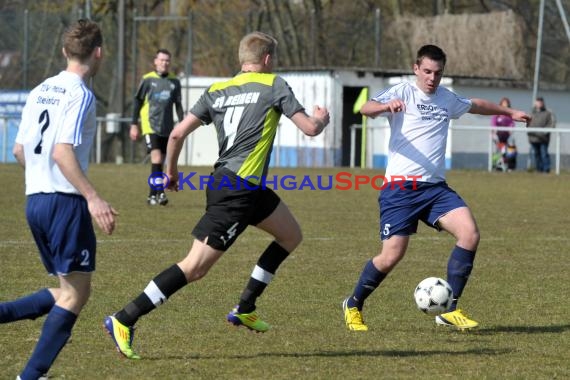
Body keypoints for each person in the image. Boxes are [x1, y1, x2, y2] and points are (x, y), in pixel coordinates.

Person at [104, 31, 330, 359]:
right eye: (274, 59)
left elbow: (178, 132)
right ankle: (124, 318)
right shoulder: (274, 85)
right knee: (194, 267)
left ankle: (245, 307)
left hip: (241, 187)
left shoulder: (217, 90)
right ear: (267, 59)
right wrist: (321, 120)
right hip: (236, 191)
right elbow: (309, 128)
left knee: (291, 235)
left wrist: (171, 172)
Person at [342, 44, 531, 332]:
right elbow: (365, 108)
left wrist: (511, 111)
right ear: (416, 69)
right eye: (427, 71)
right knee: (392, 255)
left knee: (469, 233)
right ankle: (353, 304)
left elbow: (476, 105)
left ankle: (449, 310)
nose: (432, 78)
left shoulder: (446, 98)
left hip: (435, 189)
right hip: (400, 189)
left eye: (438, 73)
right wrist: (384, 107)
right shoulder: (402, 91)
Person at [4, 19, 117, 380]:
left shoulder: (39, 90)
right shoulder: (80, 94)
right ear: (98, 53)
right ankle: (30, 376)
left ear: (64, 51)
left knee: (67, 290)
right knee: (75, 295)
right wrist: (93, 198)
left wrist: (41, 180)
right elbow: (62, 152)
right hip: (64, 203)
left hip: (34, 200)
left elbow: (20, 150)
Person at [130, 48, 184, 205]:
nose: (164, 63)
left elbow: (178, 105)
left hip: (167, 127)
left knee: (160, 162)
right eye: (161, 60)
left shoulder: (175, 82)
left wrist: (182, 124)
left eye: (167, 60)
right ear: (155, 61)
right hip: (150, 125)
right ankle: (160, 193)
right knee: (157, 157)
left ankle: (152, 195)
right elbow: (137, 102)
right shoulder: (147, 79)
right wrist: (134, 124)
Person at [527, 97, 555, 173]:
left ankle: (546, 170)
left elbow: (551, 124)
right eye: (537, 102)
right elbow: (527, 124)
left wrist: (544, 132)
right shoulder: (531, 113)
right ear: (535, 103)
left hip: (543, 139)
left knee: (544, 154)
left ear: (543, 103)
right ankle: (539, 169)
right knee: (537, 154)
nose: (539, 104)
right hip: (533, 138)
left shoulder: (548, 113)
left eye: (540, 102)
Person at [491, 97, 517, 171]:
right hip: (498, 137)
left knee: (510, 151)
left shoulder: (510, 114)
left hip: (507, 136)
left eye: (507, 103)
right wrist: (495, 131)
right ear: (501, 104)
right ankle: (496, 166)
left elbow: (512, 123)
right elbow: (493, 123)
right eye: (504, 103)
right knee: (500, 151)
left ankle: (510, 167)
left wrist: (510, 129)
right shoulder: (497, 113)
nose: (506, 104)